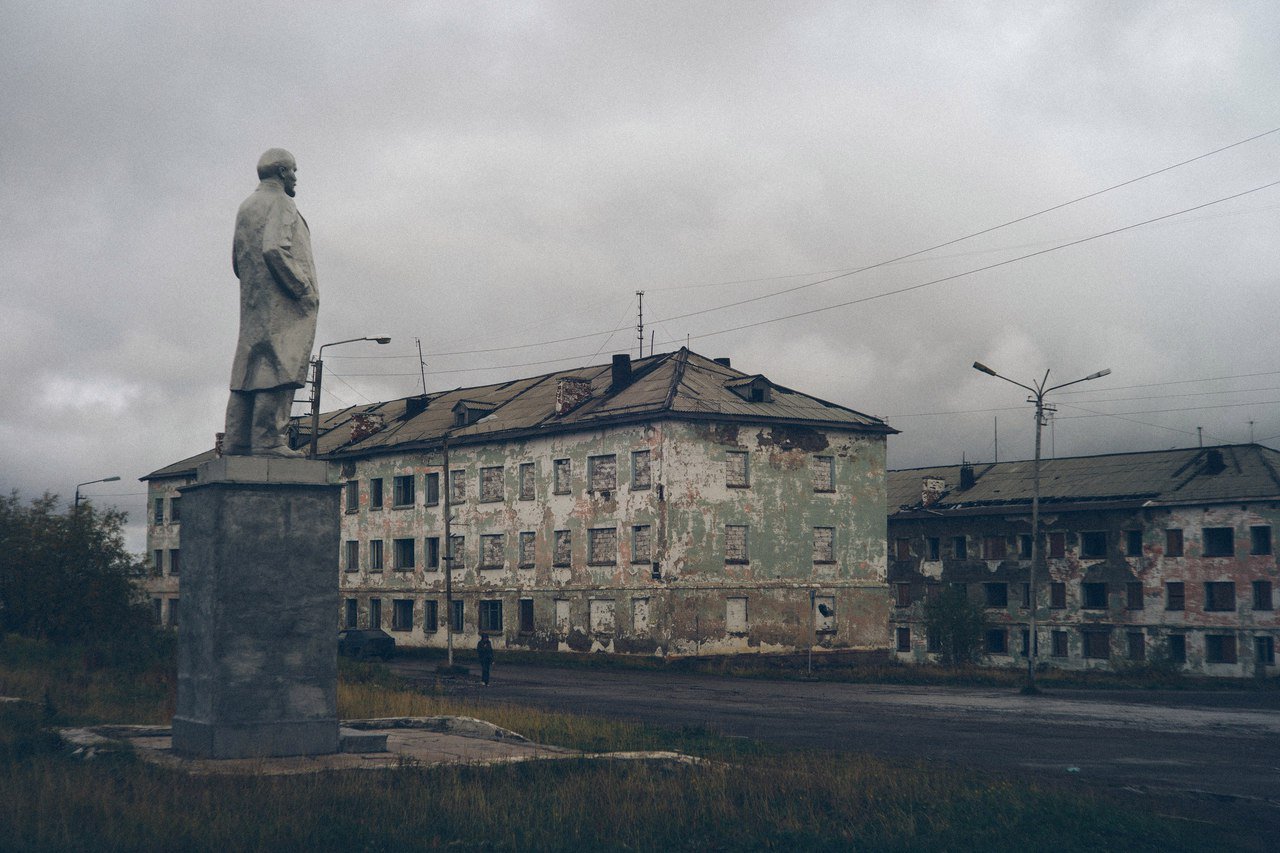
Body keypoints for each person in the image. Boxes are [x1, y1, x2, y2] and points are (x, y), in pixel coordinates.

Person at [223, 148, 318, 457]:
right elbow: (274, 249)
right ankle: (268, 442)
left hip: (254, 302)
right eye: (293, 171)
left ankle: (236, 441)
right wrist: (302, 286)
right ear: (281, 172)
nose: (295, 177)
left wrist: (256, 285)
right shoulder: (281, 203)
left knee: (248, 370)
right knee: (278, 367)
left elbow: (237, 260)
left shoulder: (247, 207)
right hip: (284, 303)